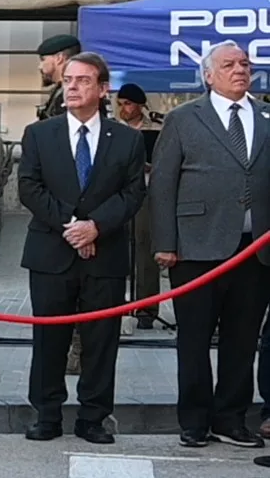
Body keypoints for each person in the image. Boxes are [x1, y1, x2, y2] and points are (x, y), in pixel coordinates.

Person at [17, 52, 145, 445]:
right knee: (49, 339)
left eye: (82, 80)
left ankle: (93, 416)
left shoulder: (127, 138)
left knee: (101, 339)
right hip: (51, 253)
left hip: (104, 253)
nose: (71, 87)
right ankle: (47, 413)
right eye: (68, 80)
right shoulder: (40, 134)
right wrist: (73, 226)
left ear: (103, 89)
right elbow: (29, 187)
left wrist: (96, 227)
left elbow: (133, 192)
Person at [149, 40, 270, 450]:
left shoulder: (266, 116)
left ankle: (231, 418)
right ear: (208, 74)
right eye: (229, 64)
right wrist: (165, 242)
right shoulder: (185, 119)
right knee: (195, 338)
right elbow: (163, 183)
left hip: (255, 249)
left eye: (244, 63)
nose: (240, 69)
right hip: (196, 247)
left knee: (242, 338)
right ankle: (195, 419)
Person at [114, 83, 162, 329]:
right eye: (120, 104)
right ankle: (115, 305)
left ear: (140, 106)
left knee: (145, 250)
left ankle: (146, 309)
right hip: (115, 195)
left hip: (144, 194)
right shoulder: (111, 131)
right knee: (115, 249)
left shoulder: (155, 131)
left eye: (128, 104)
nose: (124, 109)